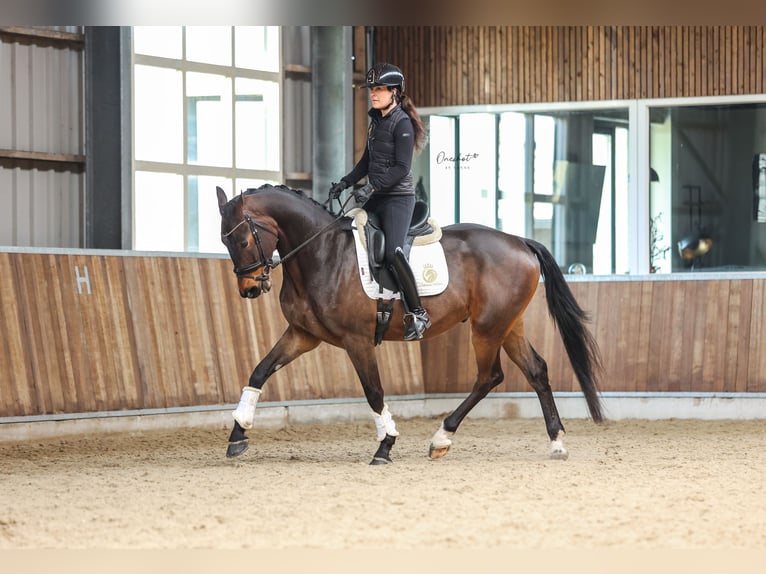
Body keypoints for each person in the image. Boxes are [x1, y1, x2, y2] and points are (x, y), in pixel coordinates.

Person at [328, 62, 430, 341]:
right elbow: (367, 162)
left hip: (397, 199)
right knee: (345, 233)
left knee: (394, 252)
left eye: (380, 89)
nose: (373, 93)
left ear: (395, 93)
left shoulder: (403, 124)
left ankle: (418, 313)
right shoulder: (378, 122)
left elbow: (401, 169)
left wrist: (370, 187)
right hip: (375, 195)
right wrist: (346, 182)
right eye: (372, 89)